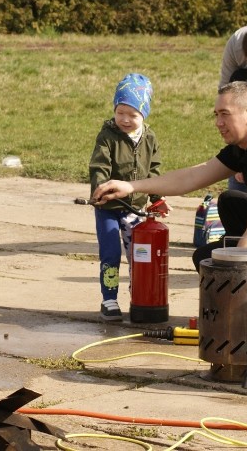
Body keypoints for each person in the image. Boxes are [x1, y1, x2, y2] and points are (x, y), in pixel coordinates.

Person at [92, 81, 247, 284]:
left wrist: (230, 283)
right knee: (230, 202)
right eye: (216, 115)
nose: (218, 123)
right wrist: (132, 186)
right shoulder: (246, 146)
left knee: (209, 260)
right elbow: (192, 177)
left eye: (225, 115)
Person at [89, 73, 161, 321]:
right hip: (108, 207)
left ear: (144, 114)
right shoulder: (108, 136)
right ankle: (109, 298)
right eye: (120, 112)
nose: (125, 119)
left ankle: (138, 295)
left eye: (132, 114)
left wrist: (157, 197)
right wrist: (100, 188)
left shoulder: (149, 138)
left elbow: (154, 171)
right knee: (110, 253)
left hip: (137, 209)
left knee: (138, 255)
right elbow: (99, 166)